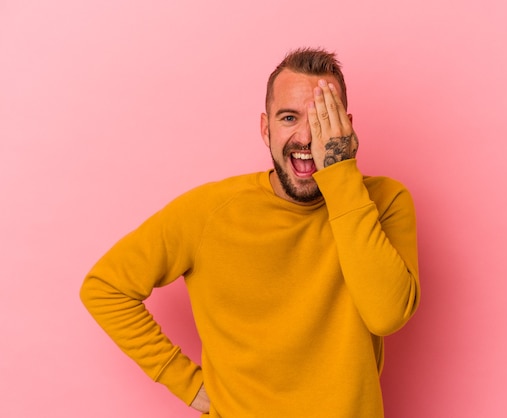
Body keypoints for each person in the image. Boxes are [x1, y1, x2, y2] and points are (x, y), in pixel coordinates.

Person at [80, 47, 420, 417]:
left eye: (324, 118)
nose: (307, 137)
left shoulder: (384, 201)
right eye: (289, 117)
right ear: (265, 128)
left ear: (346, 126)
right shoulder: (209, 213)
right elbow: (105, 287)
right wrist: (186, 384)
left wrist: (340, 174)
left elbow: (387, 314)